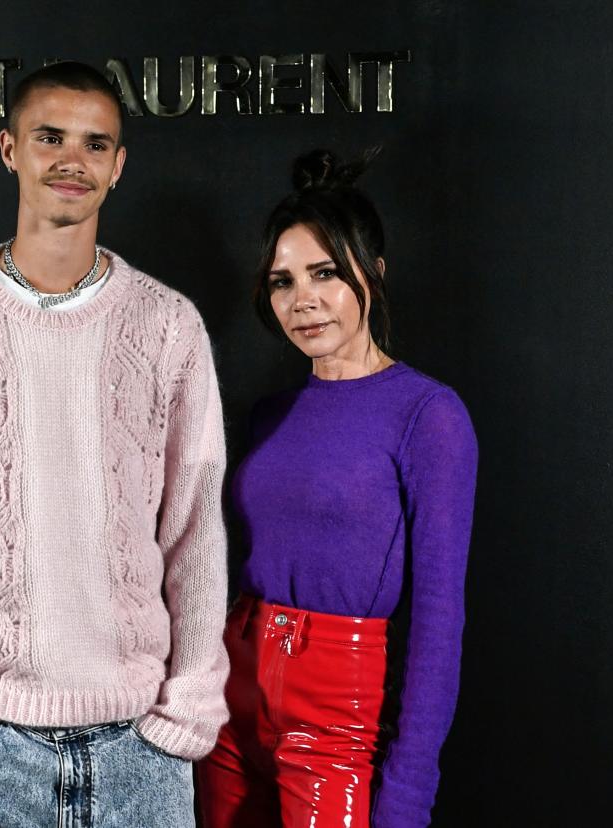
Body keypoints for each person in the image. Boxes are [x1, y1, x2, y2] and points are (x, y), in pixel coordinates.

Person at [0, 61, 229, 828]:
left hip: (141, 755)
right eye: (50, 137)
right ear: (9, 149)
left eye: (97, 145)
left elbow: (196, 524)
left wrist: (189, 707)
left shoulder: (169, 326)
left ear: (118, 166)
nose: (73, 161)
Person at [196, 149, 478, 828]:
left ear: (373, 274)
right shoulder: (270, 414)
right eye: (282, 282)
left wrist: (408, 795)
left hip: (335, 717)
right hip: (231, 698)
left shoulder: (428, 414)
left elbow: (440, 619)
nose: (304, 301)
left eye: (324, 273)